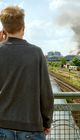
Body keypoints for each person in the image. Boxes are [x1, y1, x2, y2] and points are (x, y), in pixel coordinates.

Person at [0, 6, 54, 140]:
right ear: (23, 27)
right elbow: (46, 93)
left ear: (4, 30)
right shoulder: (36, 53)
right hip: (31, 127)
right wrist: (47, 121)